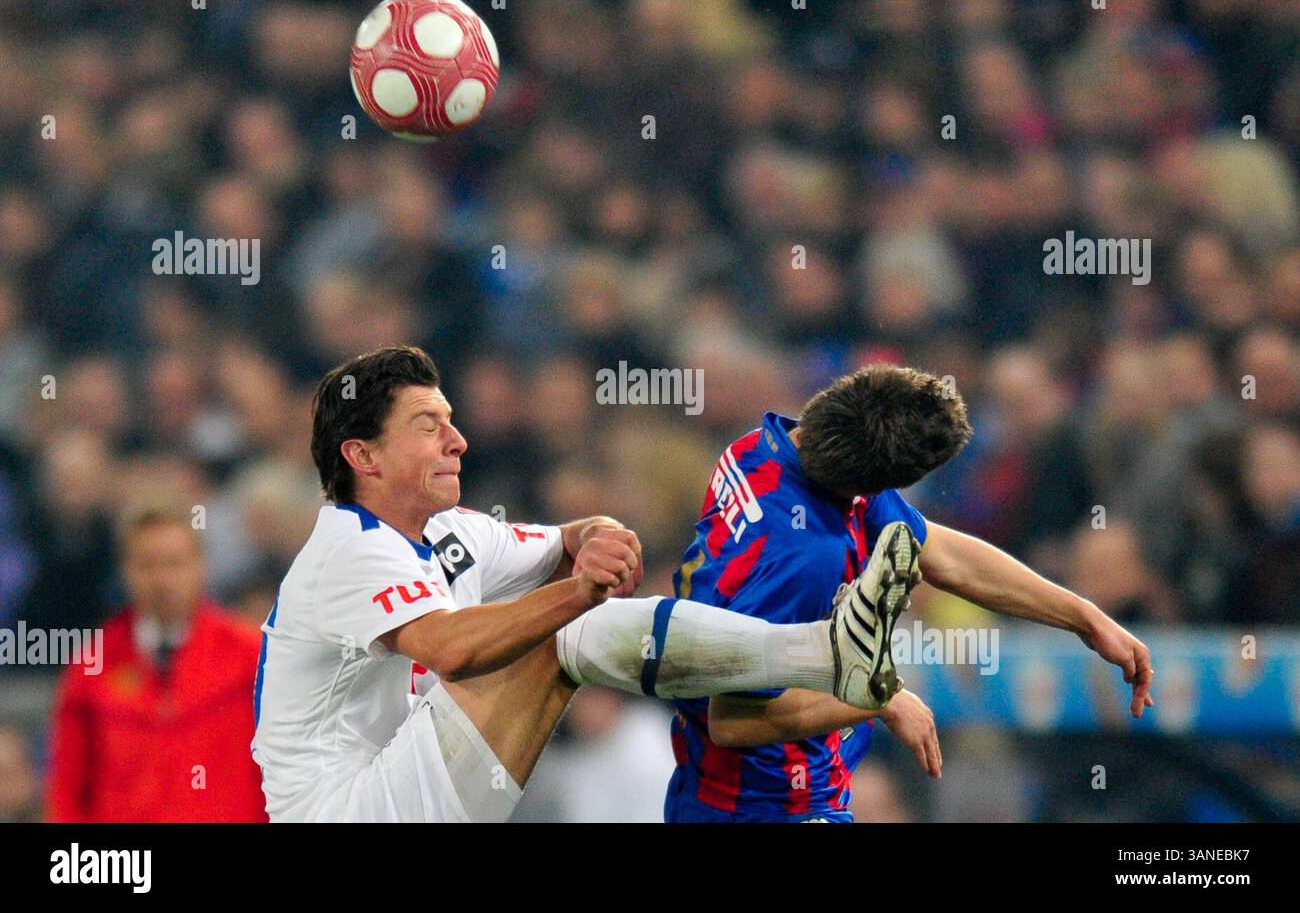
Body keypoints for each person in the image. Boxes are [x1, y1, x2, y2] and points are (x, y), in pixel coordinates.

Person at [251, 345, 912, 823]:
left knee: (560, 625)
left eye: (450, 419)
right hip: (347, 809)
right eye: (428, 426)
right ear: (361, 456)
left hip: (415, 788)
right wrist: (579, 591)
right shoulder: (345, 549)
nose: (458, 439)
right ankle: (822, 653)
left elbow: (566, 539)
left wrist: (597, 533)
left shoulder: (452, 531)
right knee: (562, 629)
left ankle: (827, 655)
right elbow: (450, 646)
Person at [665, 365, 1156, 822]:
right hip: (769, 804)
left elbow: (942, 554)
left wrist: (1084, 617)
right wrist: (879, 699)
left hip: (720, 788)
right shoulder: (806, 556)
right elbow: (732, 718)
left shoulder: (765, 447)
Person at [46, 505, 268, 822]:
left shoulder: (251, 657)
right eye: (147, 564)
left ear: (200, 566)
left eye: (175, 563)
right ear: (125, 569)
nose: (162, 580)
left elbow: (285, 772)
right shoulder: (92, 664)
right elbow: (68, 788)